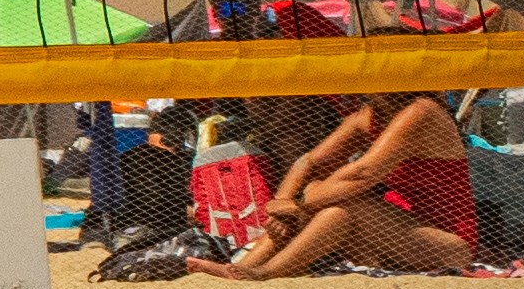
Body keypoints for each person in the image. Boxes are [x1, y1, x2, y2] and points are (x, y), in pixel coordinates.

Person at [184, 88, 480, 277]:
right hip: (391, 233)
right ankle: (241, 269)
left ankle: (265, 272)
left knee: (343, 203)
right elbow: (308, 162)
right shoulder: (370, 115)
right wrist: (281, 205)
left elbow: (362, 173)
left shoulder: (422, 110)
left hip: (448, 244)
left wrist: (300, 202)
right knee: (330, 202)